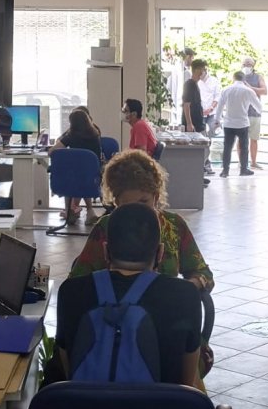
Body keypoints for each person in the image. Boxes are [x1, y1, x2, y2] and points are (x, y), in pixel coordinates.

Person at [56, 203, 202, 387]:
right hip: (162, 404)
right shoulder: (185, 296)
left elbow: (68, 371)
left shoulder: (71, 292)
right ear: (160, 253)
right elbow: (187, 383)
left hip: (84, 403)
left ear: (106, 251)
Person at [70, 150, 214, 291]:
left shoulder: (173, 225)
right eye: (127, 204)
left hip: (165, 304)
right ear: (116, 202)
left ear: (156, 197)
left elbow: (203, 273)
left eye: (144, 201)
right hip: (115, 305)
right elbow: (76, 281)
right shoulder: (106, 226)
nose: (137, 210)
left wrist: (184, 290)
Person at [51, 109, 104, 226]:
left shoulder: (71, 136)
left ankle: (70, 210)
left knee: (71, 175)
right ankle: (89, 211)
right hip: (92, 178)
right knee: (83, 176)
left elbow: (52, 151)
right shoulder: (95, 135)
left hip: (73, 177)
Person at [214, 71, 262, 177]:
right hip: (242, 123)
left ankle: (225, 171)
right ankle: (243, 169)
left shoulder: (226, 90)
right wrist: (258, 113)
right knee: (244, 147)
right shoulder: (248, 91)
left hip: (228, 123)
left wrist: (217, 120)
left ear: (233, 78)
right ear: (244, 80)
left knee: (227, 147)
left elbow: (220, 107)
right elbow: (258, 107)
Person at [241, 57, 268, 170]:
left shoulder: (258, 77)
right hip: (241, 113)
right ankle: (242, 162)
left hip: (255, 113)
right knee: (241, 139)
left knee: (254, 139)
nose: (247, 66)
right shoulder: (238, 77)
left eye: (249, 64)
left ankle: (253, 162)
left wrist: (251, 88)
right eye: (245, 64)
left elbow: (264, 91)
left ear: (253, 66)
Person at [199, 68, 221, 175]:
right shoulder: (196, 82)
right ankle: (205, 165)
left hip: (211, 113)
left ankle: (206, 164)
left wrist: (211, 108)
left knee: (210, 138)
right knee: (202, 140)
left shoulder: (214, 81)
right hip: (200, 114)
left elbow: (217, 96)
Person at [182, 59, 207, 134]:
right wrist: (189, 124)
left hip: (198, 123)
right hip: (193, 125)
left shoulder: (196, 84)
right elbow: (186, 105)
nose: (204, 72)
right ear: (197, 70)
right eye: (203, 69)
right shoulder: (189, 84)